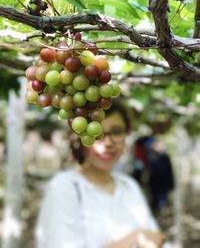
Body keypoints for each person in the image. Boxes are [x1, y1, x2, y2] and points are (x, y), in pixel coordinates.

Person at [35, 101, 170, 248]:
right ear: (80, 138)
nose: (108, 142)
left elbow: (154, 236)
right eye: (97, 134)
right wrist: (135, 238)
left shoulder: (129, 186)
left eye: (117, 132)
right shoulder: (65, 187)